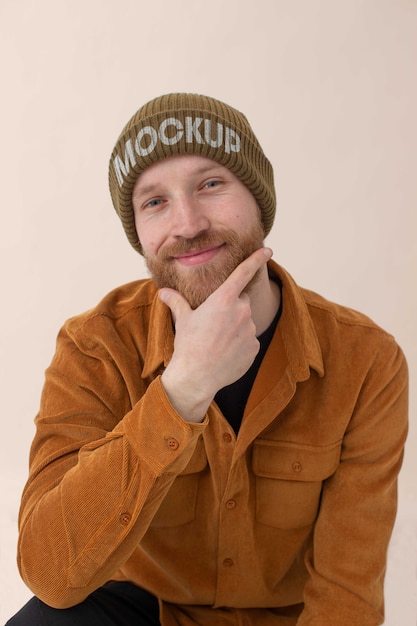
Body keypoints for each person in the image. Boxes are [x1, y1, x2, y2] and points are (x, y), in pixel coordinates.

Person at [7, 93, 408, 626]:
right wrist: (182, 391)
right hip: (141, 611)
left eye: (211, 184)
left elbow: (347, 597)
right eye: (155, 202)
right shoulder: (96, 345)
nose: (188, 223)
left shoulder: (366, 360)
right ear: (139, 234)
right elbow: (50, 575)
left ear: (259, 200)